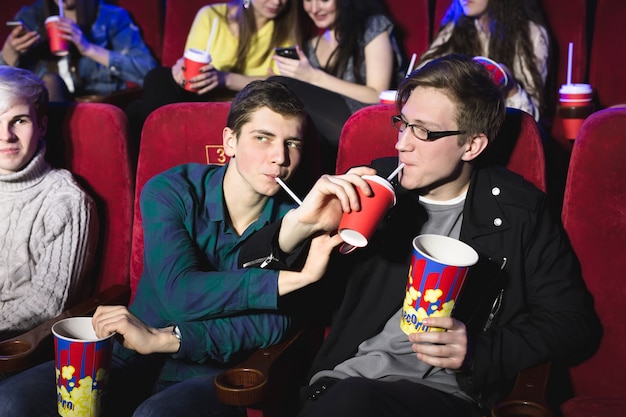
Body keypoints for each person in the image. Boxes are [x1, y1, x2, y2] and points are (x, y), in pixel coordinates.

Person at [237, 55, 602, 416]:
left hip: (448, 398)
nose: (402, 144)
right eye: (403, 124)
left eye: (424, 131)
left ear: (472, 145)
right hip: (344, 384)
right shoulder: (369, 187)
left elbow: (573, 323)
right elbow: (259, 283)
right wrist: (304, 224)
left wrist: (479, 350)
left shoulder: (519, 210)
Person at [0, 79, 340, 417]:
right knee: (11, 401)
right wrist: (298, 278)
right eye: (262, 138)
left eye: (292, 143)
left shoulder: (302, 218)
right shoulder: (171, 189)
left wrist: (172, 339)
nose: (280, 157)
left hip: (214, 370)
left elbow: (276, 325)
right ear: (230, 141)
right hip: (126, 356)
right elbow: (180, 294)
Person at [0, 66, 97, 342]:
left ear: (41, 125)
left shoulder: (66, 200)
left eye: (19, 120)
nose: (6, 135)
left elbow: (47, 304)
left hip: (20, 348)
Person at [127, 0, 305, 142]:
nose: (278, 2)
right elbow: (191, 63)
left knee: (136, 111)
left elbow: (282, 82)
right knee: (158, 78)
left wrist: (225, 78)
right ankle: (153, 151)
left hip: (251, 102)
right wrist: (180, 73)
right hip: (201, 95)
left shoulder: (286, 27)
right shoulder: (212, 16)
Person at [270, 0, 405, 173]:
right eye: (308, 1)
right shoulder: (312, 45)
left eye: (324, 0)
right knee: (278, 91)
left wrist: (313, 76)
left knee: (280, 85)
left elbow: (377, 94)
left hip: (367, 118)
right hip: (323, 129)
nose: (315, 8)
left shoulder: (372, 27)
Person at [420, 0, 551, 122]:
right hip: (461, 126)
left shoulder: (531, 35)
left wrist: (511, 89)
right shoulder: (454, 29)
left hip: (505, 130)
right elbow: (420, 80)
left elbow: (532, 120)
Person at [0, 0, 157, 101]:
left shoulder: (112, 18)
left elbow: (149, 72)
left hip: (94, 103)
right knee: (49, 82)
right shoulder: (31, 17)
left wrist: (89, 48)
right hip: (43, 109)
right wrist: (9, 53)